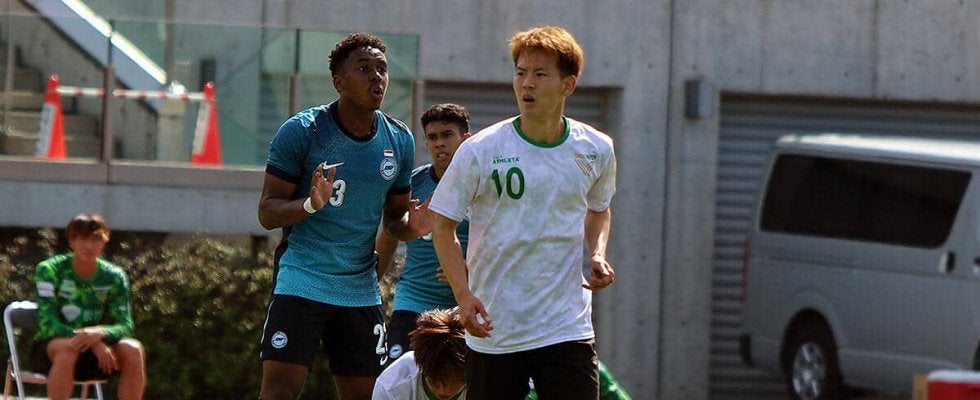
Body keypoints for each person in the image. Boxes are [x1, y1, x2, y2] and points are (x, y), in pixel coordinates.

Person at [429, 25, 617, 400]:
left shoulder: (596, 148)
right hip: (495, 327)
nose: (526, 83)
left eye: (540, 74)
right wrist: (463, 295)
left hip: (567, 327)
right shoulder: (481, 150)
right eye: (520, 72)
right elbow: (442, 224)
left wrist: (596, 253)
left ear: (568, 85)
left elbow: (599, 209)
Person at [256, 32, 428, 400]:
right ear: (339, 82)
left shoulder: (399, 140)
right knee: (280, 392)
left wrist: (413, 227)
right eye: (363, 69)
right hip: (302, 279)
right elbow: (267, 212)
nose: (376, 77)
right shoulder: (303, 131)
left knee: (368, 395)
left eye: (381, 69)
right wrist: (309, 204)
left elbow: (395, 219)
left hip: (359, 290)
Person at [375, 103, 472, 365]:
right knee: (397, 371)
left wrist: (472, 269)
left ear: (466, 138)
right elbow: (389, 233)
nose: (439, 143)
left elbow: (503, 240)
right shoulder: (411, 184)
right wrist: (370, 285)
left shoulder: (484, 186)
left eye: (447, 135)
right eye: (432, 137)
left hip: (467, 303)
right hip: (414, 300)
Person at [31, 213, 146, 400]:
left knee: (133, 349)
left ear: (105, 241)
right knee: (69, 349)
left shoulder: (114, 276)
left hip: (97, 351)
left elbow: (125, 324)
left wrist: (100, 333)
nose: (89, 246)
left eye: (96, 239)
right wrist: (93, 341)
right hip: (53, 349)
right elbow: (48, 321)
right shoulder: (49, 270)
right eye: (83, 239)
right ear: (71, 241)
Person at [371, 307, 467, 400]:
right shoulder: (390, 388)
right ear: (421, 365)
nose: (444, 391)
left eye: (455, 380)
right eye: (436, 380)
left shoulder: (476, 380)